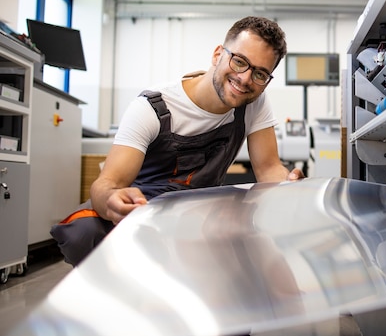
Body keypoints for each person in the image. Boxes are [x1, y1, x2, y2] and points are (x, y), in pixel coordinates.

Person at [51, 16, 305, 266]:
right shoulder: (151, 108)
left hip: (199, 213)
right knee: (84, 233)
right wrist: (112, 202)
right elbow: (107, 183)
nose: (246, 79)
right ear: (218, 55)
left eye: (260, 74)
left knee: (250, 239)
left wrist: (288, 185)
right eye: (240, 62)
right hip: (143, 211)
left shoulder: (254, 103)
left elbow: (269, 168)